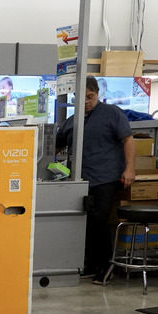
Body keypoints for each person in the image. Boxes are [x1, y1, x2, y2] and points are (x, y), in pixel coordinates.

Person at [55, 76, 136, 285]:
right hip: (79, 180)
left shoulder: (112, 114)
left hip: (105, 178)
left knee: (99, 220)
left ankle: (107, 266)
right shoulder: (73, 120)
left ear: (97, 93)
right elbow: (57, 144)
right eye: (81, 98)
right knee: (85, 222)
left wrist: (130, 169)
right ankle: (90, 264)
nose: (86, 102)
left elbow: (128, 140)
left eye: (90, 97)